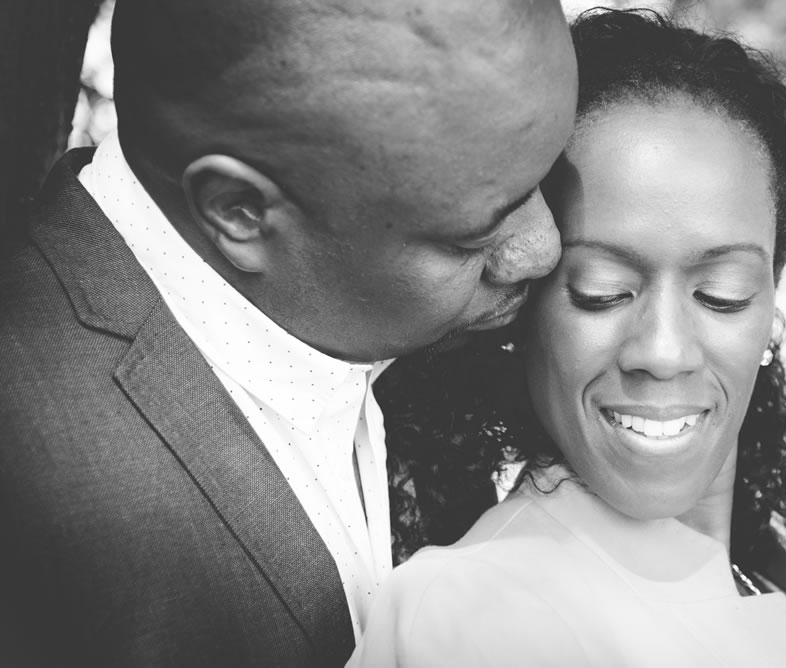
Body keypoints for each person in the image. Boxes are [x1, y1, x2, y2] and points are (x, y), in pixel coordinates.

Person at [353, 9, 786, 668]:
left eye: (721, 294)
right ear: (523, 304)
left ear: (770, 301)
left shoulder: (757, 569)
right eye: (602, 291)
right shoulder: (483, 617)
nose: (663, 352)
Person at [0, 0, 577, 665]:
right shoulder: (37, 489)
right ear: (240, 212)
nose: (545, 248)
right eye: (472, 235)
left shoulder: (432, 326)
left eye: (547, 176)